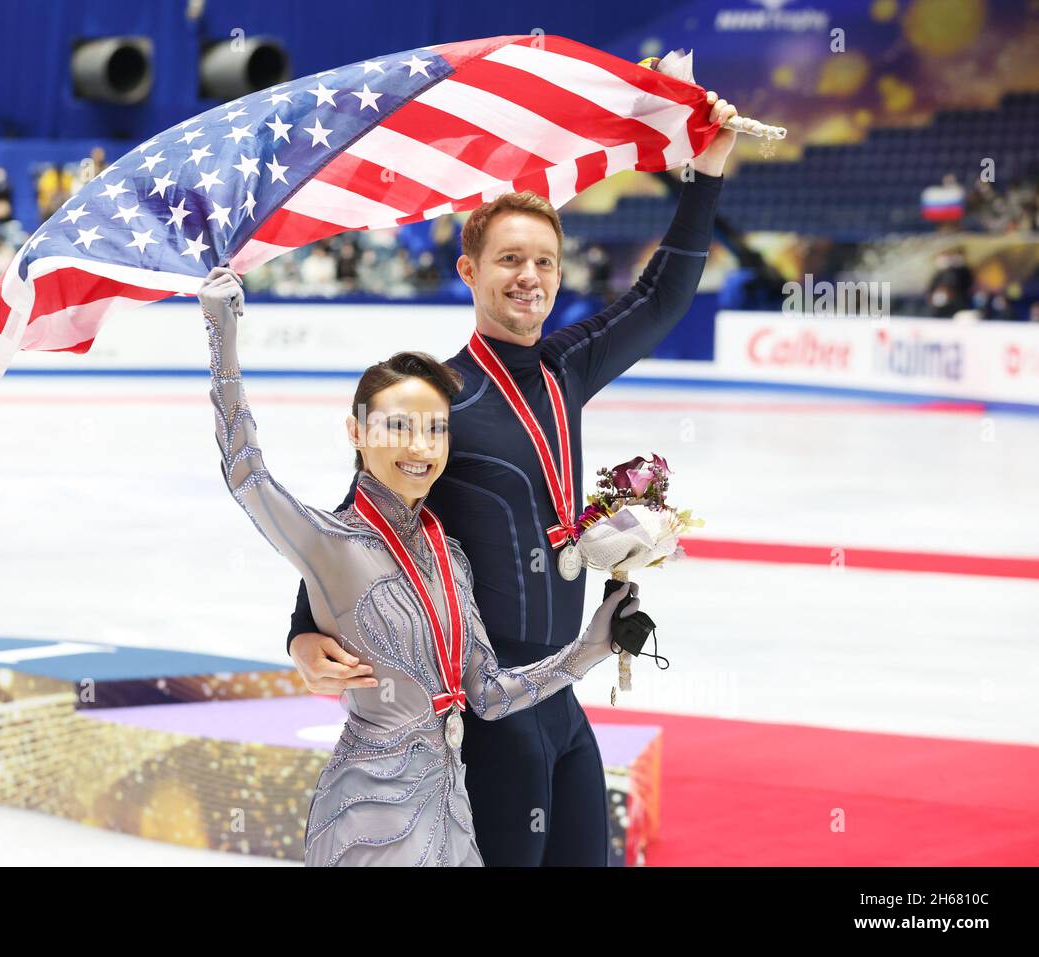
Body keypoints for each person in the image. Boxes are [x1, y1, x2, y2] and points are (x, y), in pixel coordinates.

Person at [285, 90, 739, 866]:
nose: (528, 277)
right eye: (509, 259)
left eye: (543, 262)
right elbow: (359, 515)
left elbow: (662, 295)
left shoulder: (567, 367)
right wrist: (303, 628)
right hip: (489, 711)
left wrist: (705, 174)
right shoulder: (440, 397)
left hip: (561, 699)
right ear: (469, 269)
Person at [198, 266, 641, 866]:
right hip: (367, 815)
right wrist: (220, 329)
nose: (421, 446)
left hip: (452, 812)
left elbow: (485, 695)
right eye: (399, 427)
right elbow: (246, 473)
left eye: (435, 429)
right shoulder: (329, 539)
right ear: (357, 432)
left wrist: (591, 646)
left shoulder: (448, 554)